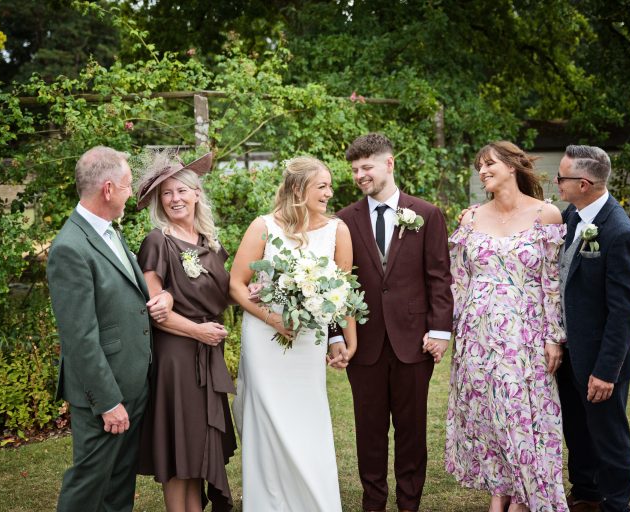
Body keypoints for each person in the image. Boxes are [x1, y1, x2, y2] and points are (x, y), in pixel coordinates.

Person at [330, 133, 454, 512]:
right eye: (354, 169)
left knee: (412, 429)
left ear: (389, 163)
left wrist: (439, 330)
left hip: (413, 341)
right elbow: (335, 283)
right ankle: (373, 502)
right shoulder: (342, 221)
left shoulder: (427, 214)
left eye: (366, 167)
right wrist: (335, 333)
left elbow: (439, 276)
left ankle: (409, 503)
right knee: (368, 431)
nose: (359, 175)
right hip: (362, 342)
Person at [47, 146, 172, 512]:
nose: (131, 192)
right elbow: (79, 337)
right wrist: (108, 402)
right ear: (107, 189)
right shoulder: (70, 248)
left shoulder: (107, 232)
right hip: (106, 392)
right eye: (128, 184)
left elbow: (128, 296)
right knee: (89, 482)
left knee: (119, 483)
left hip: (132, 380)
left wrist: (162, 299)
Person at [444, 141, 568, 512]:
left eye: (489, 164)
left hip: (524, 333)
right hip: (476, 332)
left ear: (513, 166)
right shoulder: (470, 218)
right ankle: (499, 492)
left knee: (521, 412)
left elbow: (551, 283)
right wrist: (449, 331)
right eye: (478, 166)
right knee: (486, 414)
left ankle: (527, 493)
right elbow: (458, 280)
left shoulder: (546, 216)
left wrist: (553, 337)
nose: (482, 171)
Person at [230, 156, 356, 512]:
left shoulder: (337, 230)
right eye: (322, 186)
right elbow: (236, 286)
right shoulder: (263, 227)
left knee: (307, 416)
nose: (330, 193)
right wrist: (272, 318)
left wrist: (347, 340)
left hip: (306, 343)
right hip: (264, 338)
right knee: (267, 417)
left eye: (330, 186)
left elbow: (342, 294)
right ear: (299, 189)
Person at [133, 151, 237, 512]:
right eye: (167, 194)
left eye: (182, 191)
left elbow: (226, 293)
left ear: (196, 194)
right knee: (180, 452)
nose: (175, 198)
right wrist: (198, 332)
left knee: (196, 448)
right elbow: (155, 310)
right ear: (160, 202)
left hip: (208, 354)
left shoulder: (211, 243)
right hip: (176, 359)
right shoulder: (158, 241)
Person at [555, 145, 630, 512]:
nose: (556, 182)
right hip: (570, 351)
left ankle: (616, 504)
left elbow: (623, 311)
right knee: (577, 430)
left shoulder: (619, 231)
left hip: (602, 358)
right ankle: (587, 493)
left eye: (561, 178)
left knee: (609, 436)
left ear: (584, 183)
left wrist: (606, 372)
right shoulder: (570, 217)